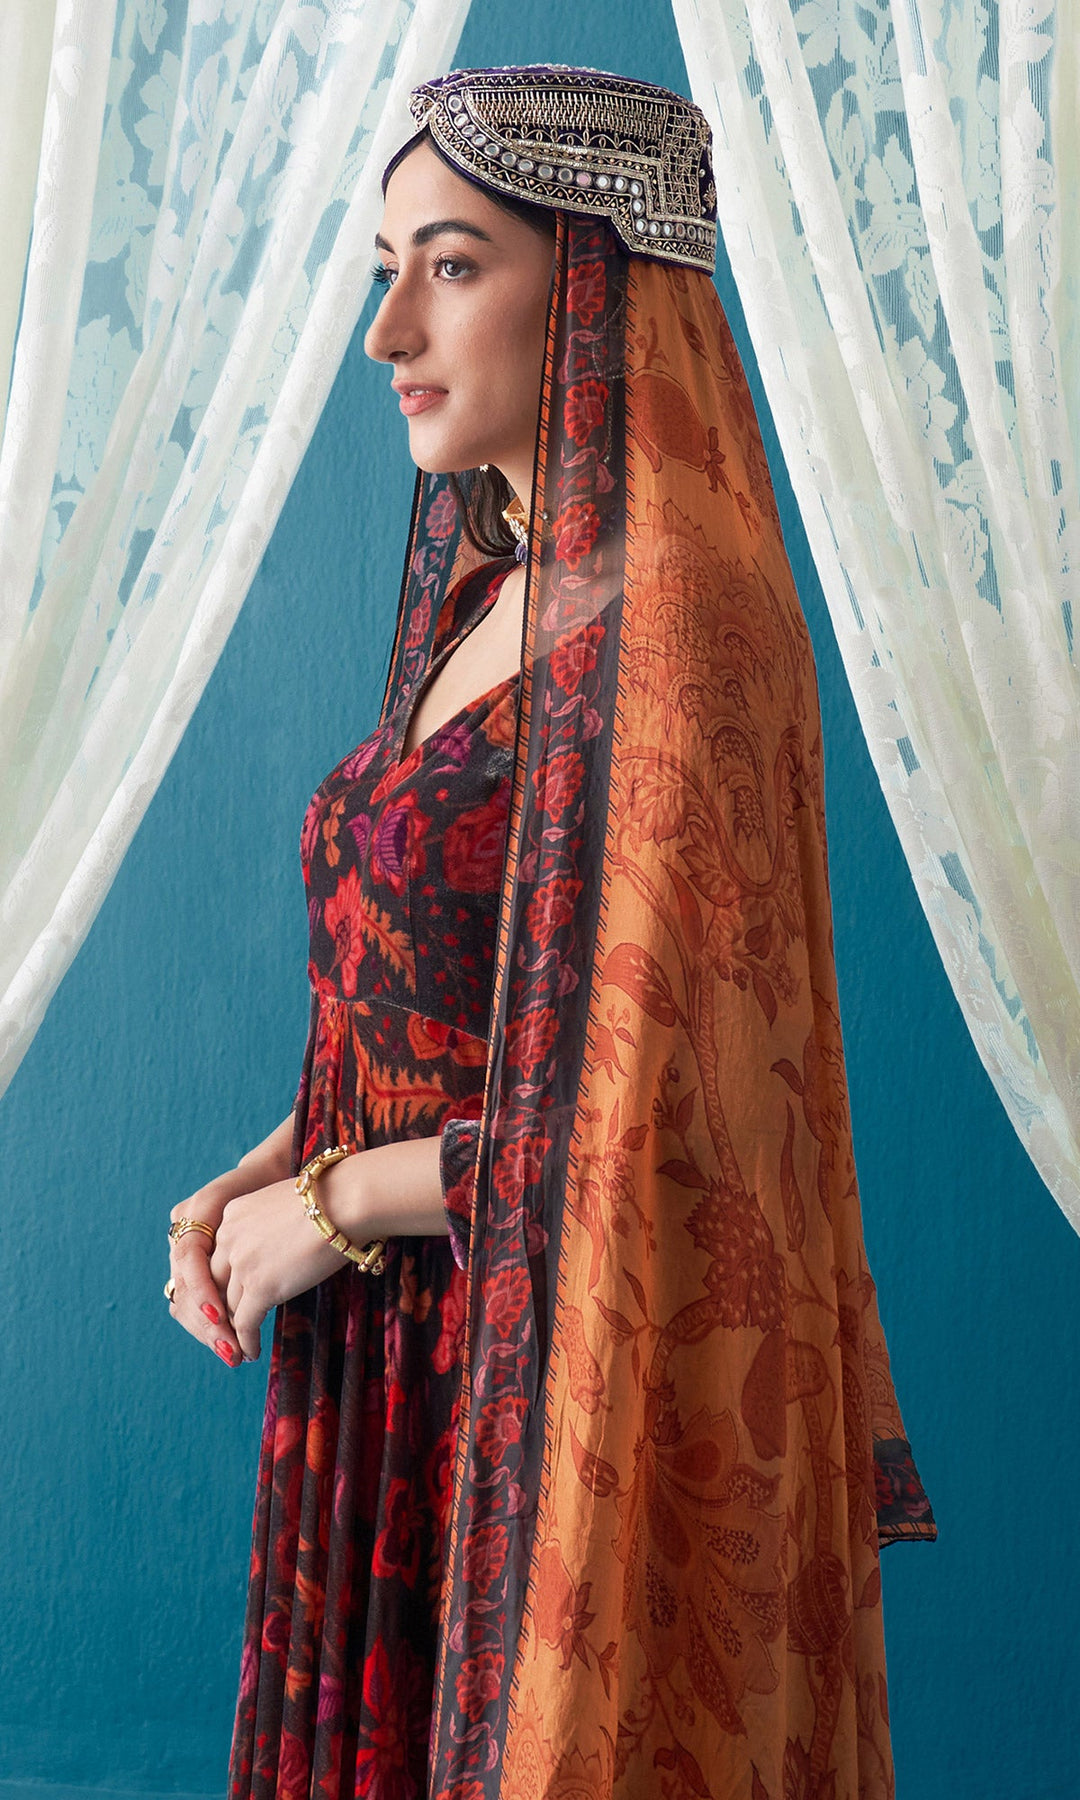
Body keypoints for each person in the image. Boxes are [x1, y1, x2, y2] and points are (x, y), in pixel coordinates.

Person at [165, 64, 935, 1800]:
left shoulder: (685, 632)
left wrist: (339, 1208)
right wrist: (269, 1171)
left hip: (555, 1386)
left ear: (596, 282)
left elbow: (676, 1135)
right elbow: (467, 1008)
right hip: (398, 1355)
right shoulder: (490, 596)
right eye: (387, 270)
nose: (388, 334)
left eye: (450, 266)